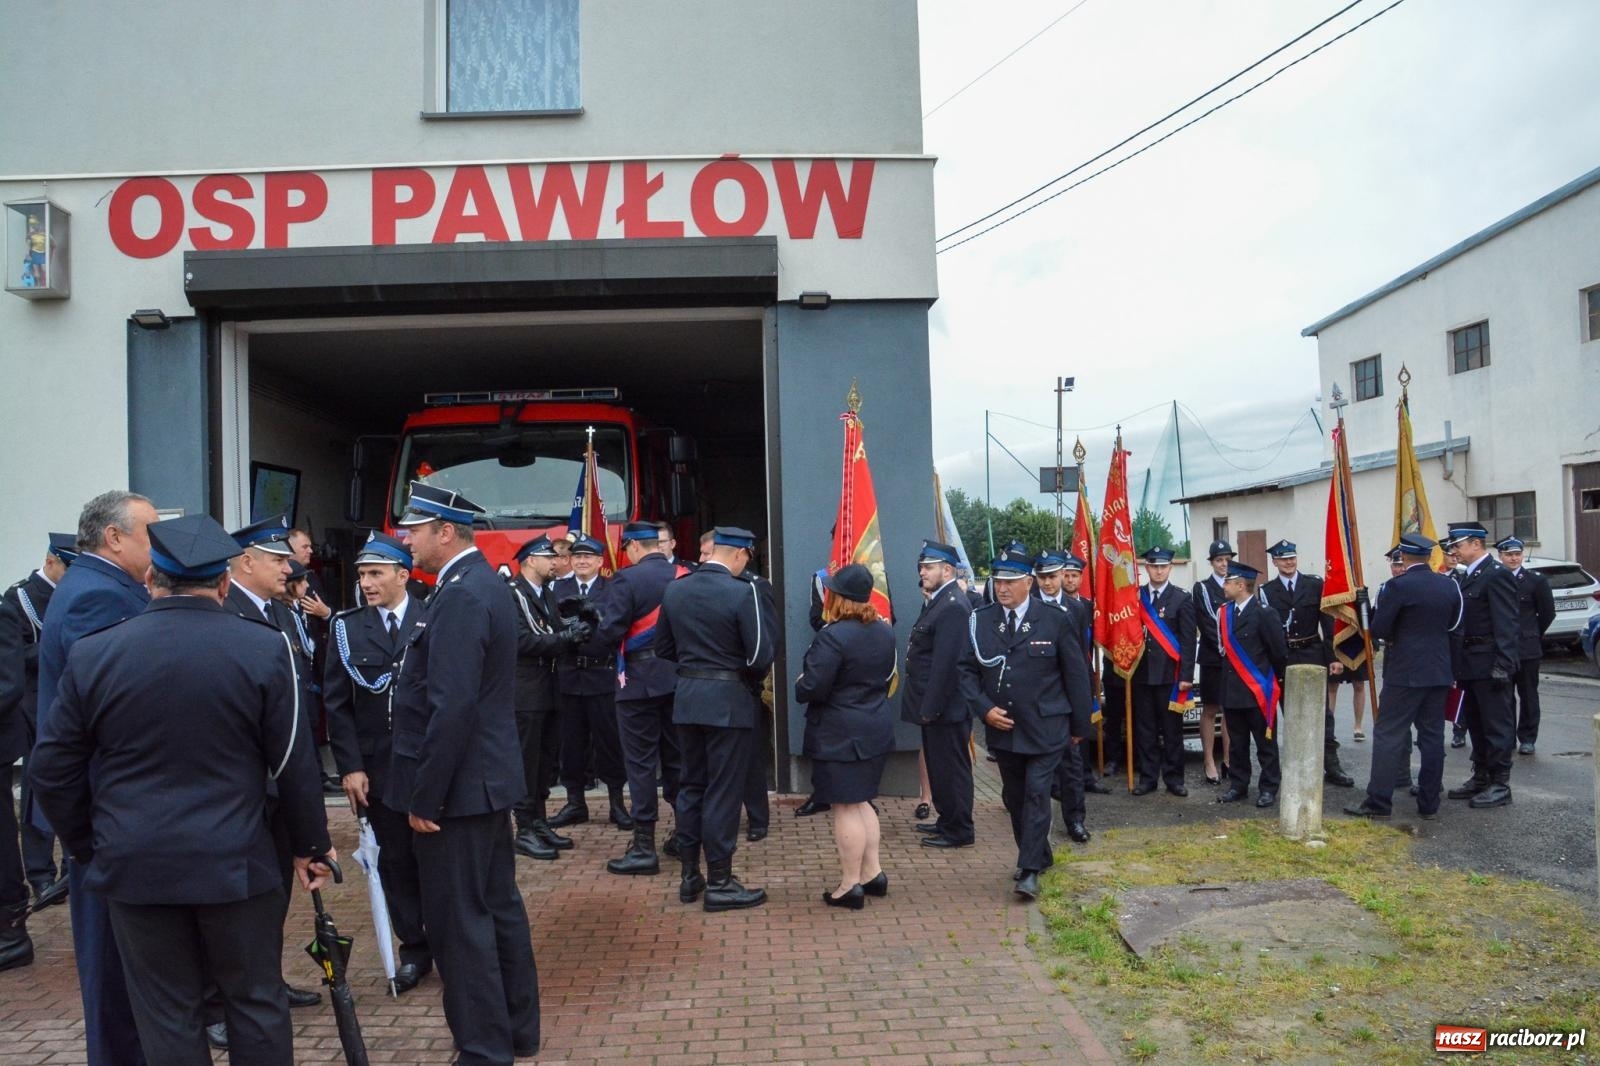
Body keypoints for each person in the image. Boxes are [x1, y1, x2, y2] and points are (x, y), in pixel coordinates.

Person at [30, 514, 334, 1066]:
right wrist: (310, 844)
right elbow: (294, 761)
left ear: (151, 582)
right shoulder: (264, 649)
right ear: (223, 583)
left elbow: (51, 769)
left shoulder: (97, 653)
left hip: (134, 862)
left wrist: (88, 845)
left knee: (166, 1014)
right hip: (236, 861)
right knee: (255, 1002)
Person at [386, 481, 540, 1062]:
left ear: (444, 533)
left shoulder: (461, 595)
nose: (408, 539)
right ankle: (516, 1032)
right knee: (497, 908)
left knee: (461, 924)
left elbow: (452, 705)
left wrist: (425, 797)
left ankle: (482, 1048)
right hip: (480, 781)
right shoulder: (477, 584)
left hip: (458, 790)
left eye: (416, 530)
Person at [34, 490, 158, 1066]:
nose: (157, 545)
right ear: (114, 537)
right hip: (104, 809)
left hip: (108, 807)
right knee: (111, 961)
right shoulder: (97, 598)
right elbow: (109, 708)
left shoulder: (103, 587)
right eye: (149, 532)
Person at [323, 531, 432, 994]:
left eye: (376, 573)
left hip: (429, 765)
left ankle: (449, 943)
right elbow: (337, 704)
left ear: (402, 575)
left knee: (437, 861)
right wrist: (350, 765)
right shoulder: (347, 628)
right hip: (378, 768)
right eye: (363, 574)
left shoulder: (433, 618)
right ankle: (415, 949)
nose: (366, 583)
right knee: (395, 863)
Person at [959, 546, 1092, 901]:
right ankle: (1039, 854)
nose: (1002, 588)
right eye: (998, 581)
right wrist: (984, 709)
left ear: (1028, 583)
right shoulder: (981, 619)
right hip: (1004, 728)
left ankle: (1028, 869)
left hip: (1047, 726)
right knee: (1015, 797)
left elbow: (1076, 674)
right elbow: (967, 672)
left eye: (1011, 581)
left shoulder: (1054, 618)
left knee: (1036, 794)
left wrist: (1081, 727)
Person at [655, 526, 776, 912]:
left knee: (691, 785)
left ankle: (690, 875)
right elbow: (760, 655)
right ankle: (720, 881)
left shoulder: (676, 589)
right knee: (723, 791)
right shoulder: (744, 592)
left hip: (688, 699)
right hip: (729, 701)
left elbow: (663, 647)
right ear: (739, 555)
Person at [797, 564, 897, 910]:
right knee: (862, 801)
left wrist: (800, 683)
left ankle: (850, 885)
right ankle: (873, 874)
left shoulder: (833, 636)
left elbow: (814, 686)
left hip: (840, 731)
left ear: (839, 597)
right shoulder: (884, 632)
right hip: (873, 725)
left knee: (845, 806)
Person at [1344, 533, 1463, 820]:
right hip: (1438, 671)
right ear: (1428, 556)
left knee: (1388, 735)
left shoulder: (1397, 587)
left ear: (1405, 557)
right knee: (1433, 738)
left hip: (1404, 673)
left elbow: (1381, 629)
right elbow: (1455, 627)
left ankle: (1379, 802)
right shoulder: (1449, 586)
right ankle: (1429, 802)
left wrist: (1366, 611)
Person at [593, 522, 688, 875]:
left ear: (633, 547)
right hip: (678, 680)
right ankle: (685, 834)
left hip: (638, 683)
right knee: (679, 760)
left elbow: (610, 633)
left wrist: (594, 626)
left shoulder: (627, 580)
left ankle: (644, 845)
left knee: (642, 765)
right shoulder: (684, 574)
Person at [1, 532, 77, 917]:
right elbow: (16, 653)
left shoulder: (75, 594)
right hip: (33, 706)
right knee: (36, 790)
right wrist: (55, 647)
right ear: (51, 563)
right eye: (68, 566)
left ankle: (69, 866)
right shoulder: (21, 598)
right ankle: (40, 872)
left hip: (70, 701)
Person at [548, 535, 630, 830]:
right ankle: (575, 803)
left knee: (610, 742)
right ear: (569, 561)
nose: (582, 561)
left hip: (602, 675)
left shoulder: (611, 589)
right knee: (571, 743)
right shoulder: (558, 589)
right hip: (569, 675)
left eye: (588, 557)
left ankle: (617, 803)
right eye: (577, 557)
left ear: (599, 562)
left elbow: (618, 624)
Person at [1260, 539, 1354, 788]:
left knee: (1322, 714)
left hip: (1312, 652)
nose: (1289, 562)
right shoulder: (1267, 591)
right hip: (1284, 657)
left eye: (1292, 557)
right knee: (1289, 712)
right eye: (1283, 559)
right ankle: (1297, 765)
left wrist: (1333, 657)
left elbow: (1327, 623)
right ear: (1274, 562)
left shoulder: (1313, 585)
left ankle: (1331, 766)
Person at [507, 534, 578, 861]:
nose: (555, 561)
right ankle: (524, 827)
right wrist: (565, 637)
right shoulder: (514, 595)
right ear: (529, 561)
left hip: (548, 688)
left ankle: (538, 820)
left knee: (545, 761)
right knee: (526, 761)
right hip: (525, 690)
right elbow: (522, 641)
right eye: (548, 556)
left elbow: (552, 631)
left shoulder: (546, 594)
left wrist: (575, 628)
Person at [901, 541, 977, 850]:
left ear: (947, 570)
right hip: (936, 706)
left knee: (951, 768)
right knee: (939, 767)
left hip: (946, 707)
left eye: (929, 567)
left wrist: (930, 708)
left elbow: (946, 665)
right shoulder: (940, 601)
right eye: (921, 567)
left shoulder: (953, 605)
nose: (922, 572)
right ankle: (948, 820)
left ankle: (959, 828)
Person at [1441, 521, 1521, 809]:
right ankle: (1482, 775)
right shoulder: (1466, 577)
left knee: (1496, 724)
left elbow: (1508, 624)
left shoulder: (1496, 575)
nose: (1454, 551)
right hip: (1468, 663)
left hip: (1490, 662)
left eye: (1458, 545)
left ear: (1476, 544)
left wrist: (1504, 664)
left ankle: (1501, 783)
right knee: (1474, 721)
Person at [1213, 561, 1286, 807]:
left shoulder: (1264, 613)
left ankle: (1268, 788)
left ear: (1241, 585)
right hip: (1233, 691)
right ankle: (1238, 785)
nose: (1224, 585)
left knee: (1266, 744)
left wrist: (1268, 680)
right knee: (1237, 743)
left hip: (1257, 691)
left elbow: (1278, 651)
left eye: (1228, 582)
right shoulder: (1224, 612)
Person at [1130, 547, 1195, 797]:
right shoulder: (1135, 598)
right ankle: (1148, 778)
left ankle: (1174, 778)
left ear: (1170, 568)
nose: (1158, 570)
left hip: (1170, 676)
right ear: (1147, 568)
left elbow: (1188, 641)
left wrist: (1187, 676)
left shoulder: (1182, 598)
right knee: (1145, 730)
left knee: (1172, 731)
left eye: (1163, 566)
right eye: (1154, 566)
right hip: (1142, 675)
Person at [1044, 552, 1097, 841]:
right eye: (1045, 577)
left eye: (1055, 576)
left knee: (1071, 763)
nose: (1051, 582)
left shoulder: (1076, 609)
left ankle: (1075, 820)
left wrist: (1082, 709)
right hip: (1041, 698)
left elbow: (1080, 661)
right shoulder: (1033, 607)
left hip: (1066, 698)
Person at [1059, 554, 1112, 798]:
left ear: (1081, 578)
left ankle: (1086, 776)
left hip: (1085, 673)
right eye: (1066, 575)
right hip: (1060, 677)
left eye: (1074, 575)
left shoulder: (1090, 607)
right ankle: (1066, 779)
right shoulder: (1052, 605)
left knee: (1086, 725)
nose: (1069, 580)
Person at [1495, 537, 1555, 755]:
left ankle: (1528, 738)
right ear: (1500, 556)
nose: (1514, 558)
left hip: (1527, 648)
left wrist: (1532, 634)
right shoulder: (1495, 579)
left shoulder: (1535, 581)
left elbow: (1547, 612)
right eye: (1509, 555)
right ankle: (1507, 737)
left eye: (1517, 554)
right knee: (1504, 696)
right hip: (1502, 648)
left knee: (1529, 694)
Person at [1190, 540, 1234, 784]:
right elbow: (1207, 623)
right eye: (1219, 560)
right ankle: (1208, 760)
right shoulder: (1203, 588)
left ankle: (1228, 760)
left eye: (1227, 560)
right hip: (1213, 658)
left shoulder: (1237, 584)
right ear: (1212, 562)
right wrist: (1228, 646)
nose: (1224, 564)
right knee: (1210, 709)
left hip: (1234, 659)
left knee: (1230, 710)